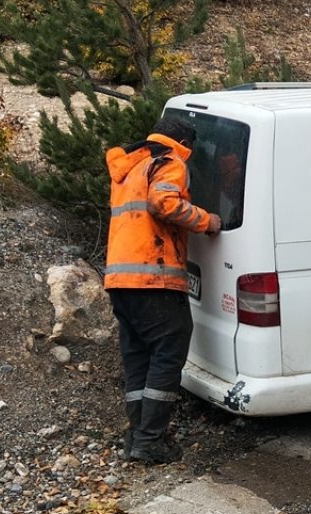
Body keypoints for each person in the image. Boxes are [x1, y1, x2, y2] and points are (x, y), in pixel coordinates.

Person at [104, 116, 221, 464]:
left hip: (120, 280)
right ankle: (149, 441)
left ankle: (138, 434)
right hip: (153, 276)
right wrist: (207, 221)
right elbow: (164, 203)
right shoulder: (169, 162)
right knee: (169, 350)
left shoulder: (132, 165)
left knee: (139, 355)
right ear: (184, 142)